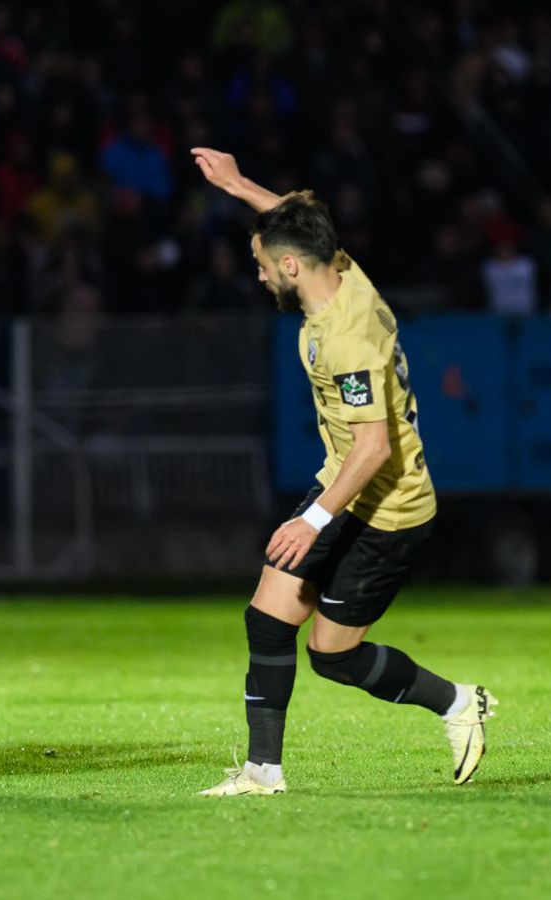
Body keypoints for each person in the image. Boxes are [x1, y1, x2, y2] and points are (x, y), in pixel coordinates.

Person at [190, 147, 496, 795]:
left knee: (332, 654)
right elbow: (298, 225)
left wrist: (312, 520)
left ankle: (458, 703)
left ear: (292, 268)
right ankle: (262, 773)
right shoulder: (342, 271)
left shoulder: (345, 335)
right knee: (267, 616)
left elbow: (374, 447)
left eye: (263, 266)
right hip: (346, 486)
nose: (261, 274)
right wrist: (239, 184)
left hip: (388, 510)